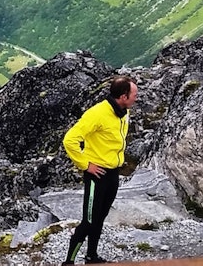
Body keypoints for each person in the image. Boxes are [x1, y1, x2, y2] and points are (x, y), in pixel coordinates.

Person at [61, 75, 138, 265]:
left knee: (100, 218)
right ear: (123, 96)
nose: (136, 98)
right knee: (88, 221)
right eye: (134, 95)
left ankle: (91, 257)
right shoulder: (97, 114)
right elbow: (69, 140)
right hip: (97, 175)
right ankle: (68, 262)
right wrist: (86, 165)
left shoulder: (123, 112)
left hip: (113, 173)